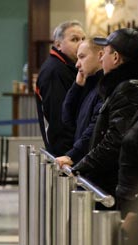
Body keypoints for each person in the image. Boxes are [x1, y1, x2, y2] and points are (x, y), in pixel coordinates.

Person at [72, 28, 138, 197]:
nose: (101, 57)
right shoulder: (123, 86)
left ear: (115, 57)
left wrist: (81, 166)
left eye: (104, 53)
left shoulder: (127, 89)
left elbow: (115, 140)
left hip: (115, 184)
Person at [36, 20, 86, 156]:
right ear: (58, 45)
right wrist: (70, 154)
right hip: (65, 150)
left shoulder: (69, 67)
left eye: (83, 39)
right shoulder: (55, 71)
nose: (81, 43)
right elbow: (59, 118)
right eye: (75, 39)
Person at [55, 38, 104, 168]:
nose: (77, 64)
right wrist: (77, 87)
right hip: (85, 163)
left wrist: (73, 155)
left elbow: (95, 129)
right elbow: (68, 120)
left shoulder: (105, 88)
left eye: (82, 57)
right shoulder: (90, 86)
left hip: (94, 167)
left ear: (100, 56)